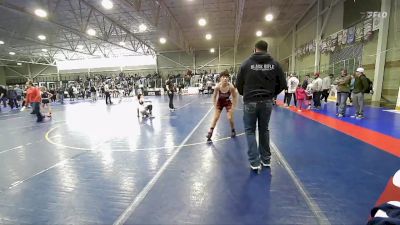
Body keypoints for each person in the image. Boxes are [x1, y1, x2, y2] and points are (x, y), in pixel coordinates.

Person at [236, 40, 286, 171]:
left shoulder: (246, 64)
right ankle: (266, 159)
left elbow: (239, 84)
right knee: (264, 130)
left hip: (250, 101)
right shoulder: (275, 64)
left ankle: (254, 162)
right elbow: (282, 84)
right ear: (266, 49)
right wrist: (271, 94)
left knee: (250, 130)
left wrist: (245, 93)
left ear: (255, 49)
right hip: (267, 102)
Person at [206, 71, 238, 141]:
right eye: (223, 77)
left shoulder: (231, 87)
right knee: (216, 117)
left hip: (227, 102)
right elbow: (214, 96)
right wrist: (215, 105)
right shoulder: (217, 87)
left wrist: (233, 107)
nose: (225, 79)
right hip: (220, 102)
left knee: (230, 117)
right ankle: (210, 132)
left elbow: (235, 96)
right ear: (220, 78)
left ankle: (233, 130)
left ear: (228, 78)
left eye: (227, 77)